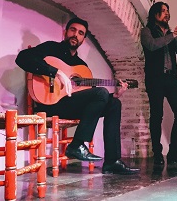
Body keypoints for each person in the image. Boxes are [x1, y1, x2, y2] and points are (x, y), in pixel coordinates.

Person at [15, 17, 140, 175]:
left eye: (81, 33)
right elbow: (22, 58)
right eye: (73, 30)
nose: (76, 35)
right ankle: (77, 145)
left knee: (114, 104)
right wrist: (56, 72)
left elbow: (94, 99)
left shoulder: (82, 67)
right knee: (100, 93)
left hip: (70, 106)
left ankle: (112, 161)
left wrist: (114, 95)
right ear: (65, 32)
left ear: (83, 39)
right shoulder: (51, 48)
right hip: (49, 104)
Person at [140, 2, 177, 170]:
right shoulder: (146, 31)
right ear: (155, 15)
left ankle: (174, 152)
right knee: (156, 115)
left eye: (168, 11)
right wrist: (172, 35)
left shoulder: (170, 34)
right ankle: (157, 153)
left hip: (171, 78)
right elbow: (152, 45)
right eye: (163, 11)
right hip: (155, 78)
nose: (166, 14)